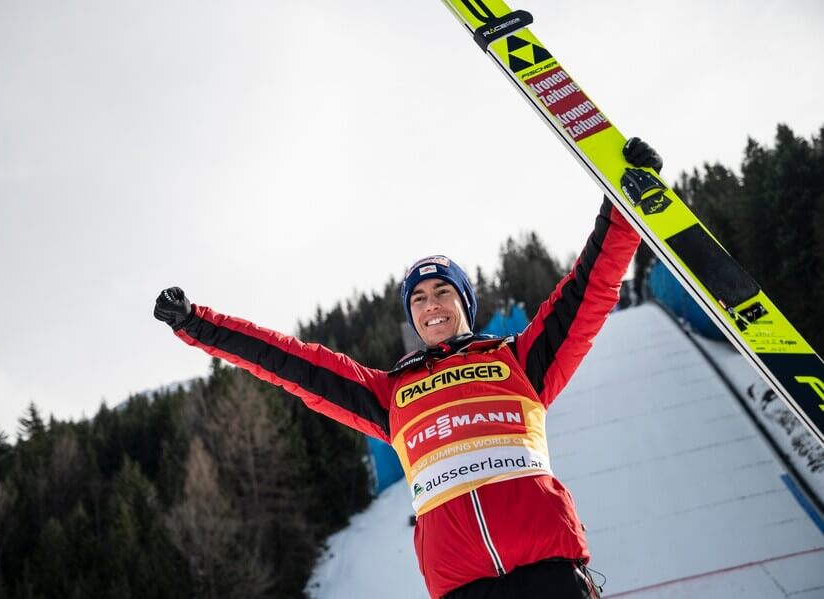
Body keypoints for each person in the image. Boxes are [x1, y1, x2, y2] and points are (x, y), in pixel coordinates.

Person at [154, 138, 663, 598]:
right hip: (463, 588)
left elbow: (587, 290)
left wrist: (622, 208)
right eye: (418, 298)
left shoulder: (519, 361)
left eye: (443, 290)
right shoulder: (390, 395)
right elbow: (289, 361)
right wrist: (199, 324)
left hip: (547, 573)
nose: (431, 303)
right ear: (412, 316)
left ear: (465, 301)